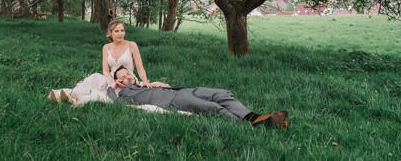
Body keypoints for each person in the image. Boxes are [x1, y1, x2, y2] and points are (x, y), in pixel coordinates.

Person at [108, 66, 290, 128]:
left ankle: (255, 118)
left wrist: (163, 85)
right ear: (119, 82)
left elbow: (143, 81)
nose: (126, 77)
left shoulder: (145, 83)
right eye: (121, 77)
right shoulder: (125, 93)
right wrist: (113, 85)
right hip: (173, 101)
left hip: (183, 90)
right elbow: (112, 97)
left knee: (221, 93)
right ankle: (255, 123)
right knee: (213, 108)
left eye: (127, 73)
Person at [48, 19, 154, 102]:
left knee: (99, 94)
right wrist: (112, 82)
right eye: (116, 31)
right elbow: (105, 71)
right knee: (94, 77)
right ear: (110, 33)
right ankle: (70, 95)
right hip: (111, 78)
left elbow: (140, 68)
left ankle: (73, 98)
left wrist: (144, 81)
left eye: (122, 30)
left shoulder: (131, 45)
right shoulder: (106, 47)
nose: (120, 34)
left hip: (127, 80)